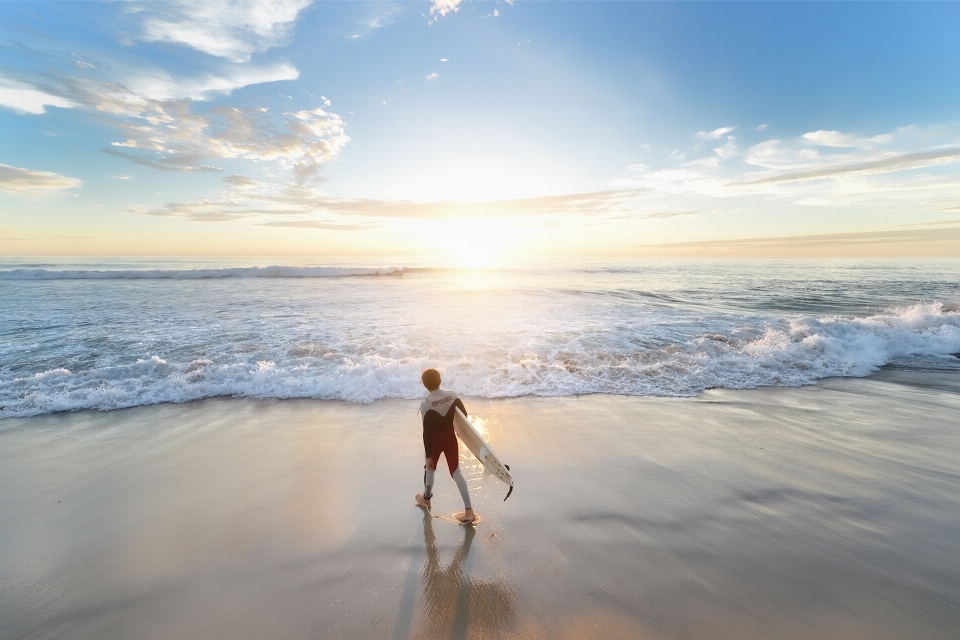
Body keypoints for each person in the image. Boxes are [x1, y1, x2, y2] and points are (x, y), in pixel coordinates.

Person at [416, 368, 475, 523]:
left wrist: (429, 455)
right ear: (440, 380)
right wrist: (460, 432)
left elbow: (426, 432)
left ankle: (426, 499)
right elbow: (464, 416)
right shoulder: (452, 395)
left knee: (430, 470)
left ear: (425, 385)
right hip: (450, 439)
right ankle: (469, 511)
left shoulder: (426, 404)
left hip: (434, 443)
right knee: (457, 473)